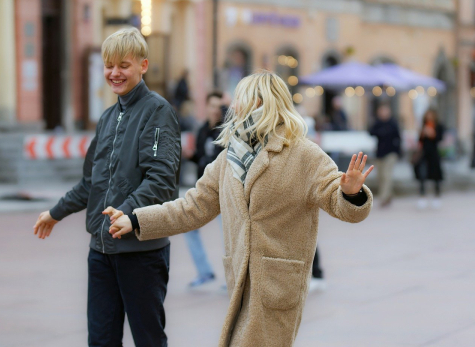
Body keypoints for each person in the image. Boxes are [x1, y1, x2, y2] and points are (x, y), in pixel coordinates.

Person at [106, 70, 373, 347]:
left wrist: (350, 193)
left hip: (277, 287)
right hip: (240, 284)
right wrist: (136, 220)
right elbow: (192, 207)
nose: (232, 106)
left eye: (239, 99)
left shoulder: (304, 154)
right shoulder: (229, 157)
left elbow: (338, 202)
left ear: (259, 102)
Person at [32, 27, 181, 347]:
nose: (114, 73)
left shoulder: (158, 112)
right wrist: (55, 213)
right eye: (109, 65)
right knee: (100, 340)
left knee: (148, 340)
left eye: (123, 65)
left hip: (141, 252)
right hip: (100, 252)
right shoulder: (107, 117)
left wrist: (126, 212)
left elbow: (162, 180)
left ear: (143, 65)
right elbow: (91, 182)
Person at [183, 91, 225, 288]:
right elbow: (201, 158)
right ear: (206, 107)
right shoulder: (201, 130)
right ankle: (204, 271)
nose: (215, 110)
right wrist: (189, 155)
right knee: (189, 228)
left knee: (229, 234)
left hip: (222, 191)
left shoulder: (226, 131)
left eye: (219, 106)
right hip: (204, 191)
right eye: (212, 105)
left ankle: (233, 279)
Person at [369, 103, 401, 207]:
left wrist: (398, 151)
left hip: (391, 153)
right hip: (380, 153)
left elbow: (398, 137)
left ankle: (383, 197)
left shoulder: (393, 123)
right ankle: (388, 195)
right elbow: (370, 132)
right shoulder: (378, 123)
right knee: (380, 176)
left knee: (387, 175)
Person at [414, 109, 444, 209]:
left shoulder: (438, 126)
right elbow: (419, 140)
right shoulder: (423, 126)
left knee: (436, 176)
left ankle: (437, 196)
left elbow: (439, 138)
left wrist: (432, 133)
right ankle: (422, 197)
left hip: (434, 154)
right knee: (422, 174)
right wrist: (423, 133)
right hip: (424, 154)